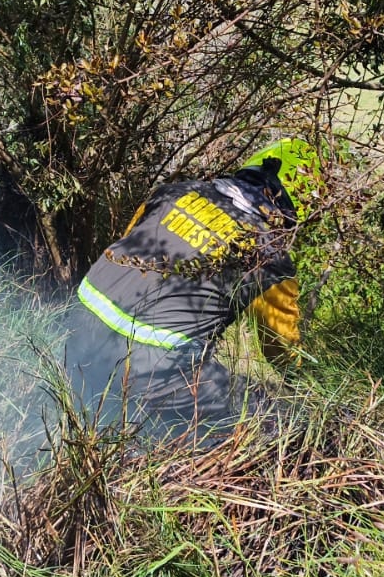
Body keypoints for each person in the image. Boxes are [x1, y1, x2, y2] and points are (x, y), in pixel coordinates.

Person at [57, 139, 321, 442]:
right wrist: (309, 384)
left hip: (77, 331)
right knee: (267, 418)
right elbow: (281, 349)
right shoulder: (269, 254)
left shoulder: (173, 193)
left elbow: (127, 253)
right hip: (154, 368)